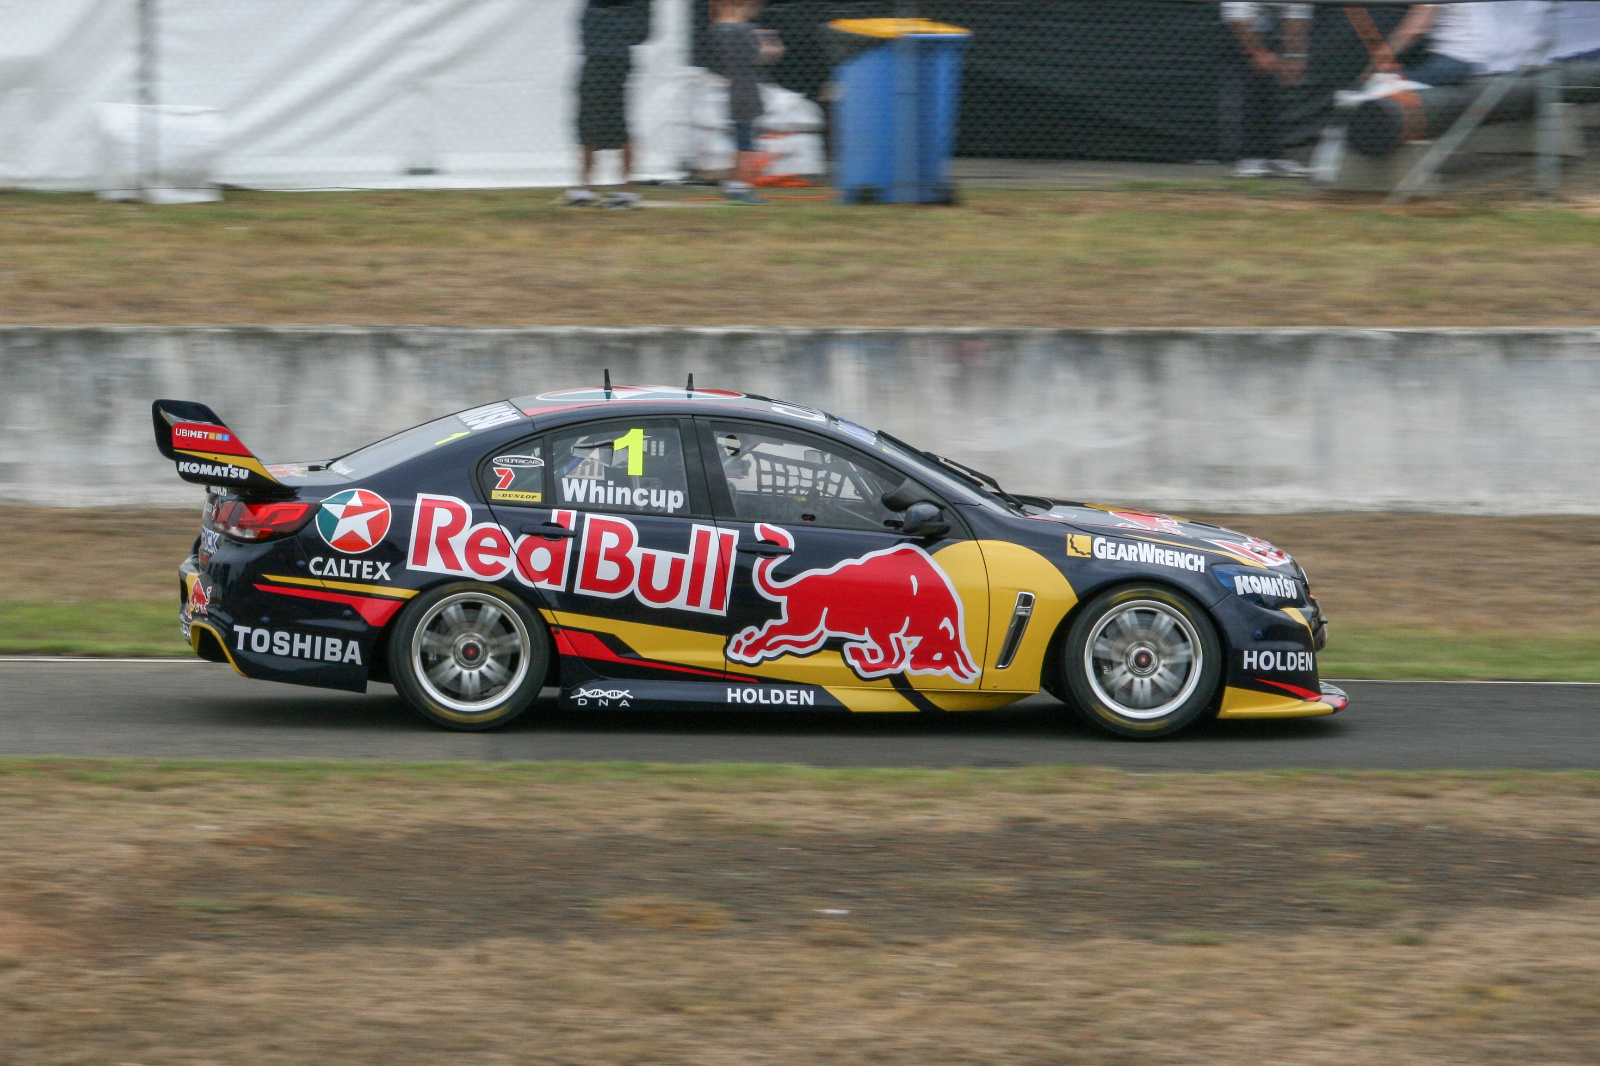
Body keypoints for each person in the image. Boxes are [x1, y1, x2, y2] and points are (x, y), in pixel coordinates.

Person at [567, 0, 651, 209]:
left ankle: (626, 190)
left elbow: (642, 32)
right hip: (594, 59)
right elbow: (584, 22)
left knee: (618, 123)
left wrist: (611, 23)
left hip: (616, 62)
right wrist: (612, 21)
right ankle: (584, 188)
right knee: (587, 122)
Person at [1220, 3, 1313, 178]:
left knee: (1279, 90)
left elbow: (1298, 18)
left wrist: (1294, 57)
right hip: (1240, 31)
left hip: (1275, 30)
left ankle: (1275, 156)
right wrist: (1256, 52)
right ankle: (1249, 157)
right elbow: (1237, 18)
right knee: (1252, 88)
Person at [708, 0, 783, 204]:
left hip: (733, 84)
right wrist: (772, 45)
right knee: (746, 142)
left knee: (741, 138)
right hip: (746, 87)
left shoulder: (716, 29)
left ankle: (734, 185)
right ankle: (741, 187)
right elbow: (758, 56)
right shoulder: (743, 30)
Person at [1379, 4, 1490, 87]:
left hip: (1452, 59)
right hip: (1474, 61)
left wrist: (1379, 61)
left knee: (1384, 82)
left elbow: (1414, 30)